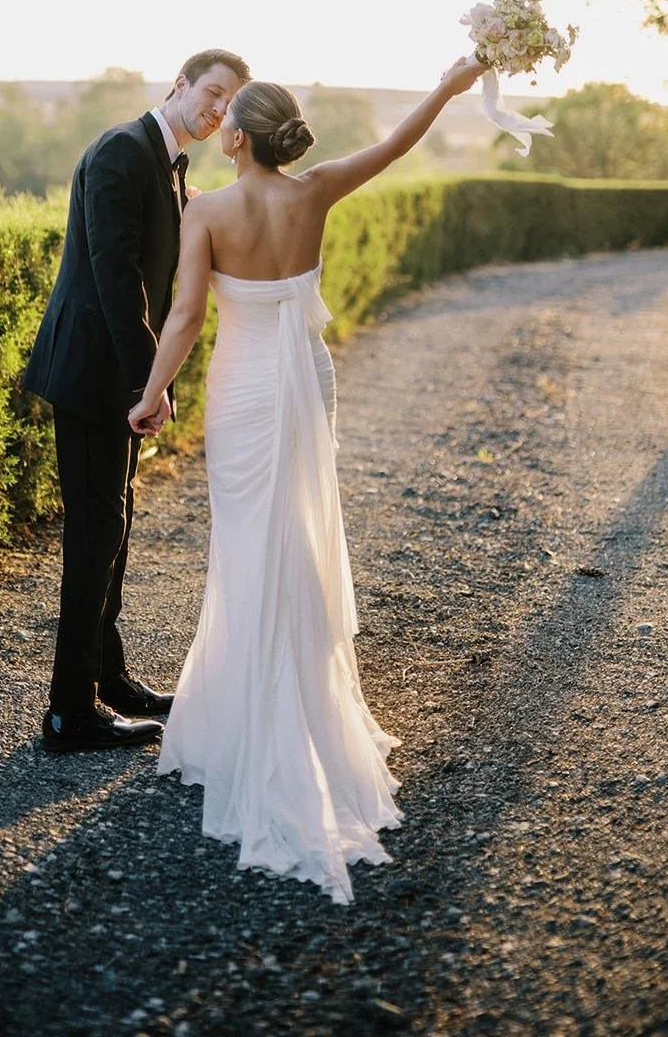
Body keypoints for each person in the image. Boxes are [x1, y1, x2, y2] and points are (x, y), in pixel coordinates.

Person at [128, 55, 486, 901]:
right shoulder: (317, 190)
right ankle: (300, 704)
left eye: (227, 120)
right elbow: (396, 146)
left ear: (238, 139)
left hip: (247, 388)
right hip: (307, 377)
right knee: (295, 531)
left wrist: (149, 396)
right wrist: (448, 86)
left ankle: (252, 716)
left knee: (248, 543)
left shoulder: (207, 212)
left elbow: (185, 317)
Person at [24, 49, 250, 753]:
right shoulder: (123, 152)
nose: (218, 110)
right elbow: (117, 280)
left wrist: (152, 382)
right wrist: (144, 387)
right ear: (180, 84)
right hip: (93, 375)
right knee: (95, 535)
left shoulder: (168, 163)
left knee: (113, 529)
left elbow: (157, 285)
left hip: (117, 375)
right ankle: (68, 712)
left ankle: (109, 680)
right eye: (212, 92)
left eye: (229, 103)